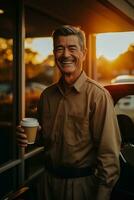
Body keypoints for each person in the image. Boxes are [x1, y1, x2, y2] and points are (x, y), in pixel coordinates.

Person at [17, 25, 121, 200]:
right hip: (47, 185)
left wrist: (102, 196)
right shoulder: (46, 96)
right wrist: (26, 138)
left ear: (84, 53)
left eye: (72, 48)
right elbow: (45, 139)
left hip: (82, 188)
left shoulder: (98, 96)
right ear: (54, 53)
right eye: (60, 48)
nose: (65, 55)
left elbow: (109, 158)